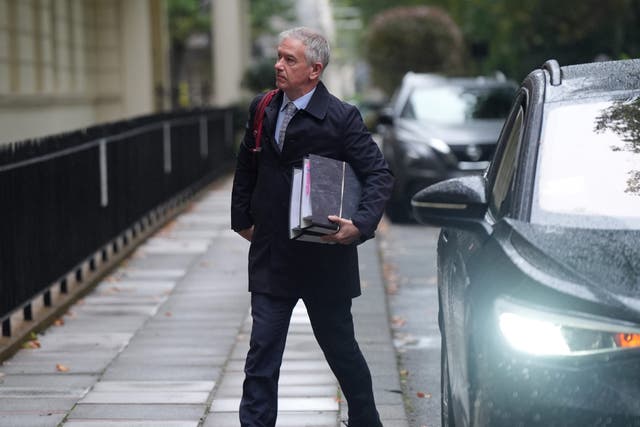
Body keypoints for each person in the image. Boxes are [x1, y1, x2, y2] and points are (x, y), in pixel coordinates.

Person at [231, 27, 394, 427]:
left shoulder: (341, 117)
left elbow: (378, 174)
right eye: (279, 56)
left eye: (290, 59)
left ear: (314, 70)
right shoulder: (264, 107)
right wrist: (242, 220)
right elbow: (246, 165)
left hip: (324, 258)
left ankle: (366, 421)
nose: (278, 65)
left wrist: (359, 226)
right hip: (272, 257)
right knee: (261, 358)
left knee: (341, 351)